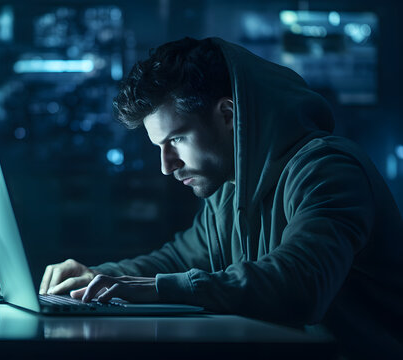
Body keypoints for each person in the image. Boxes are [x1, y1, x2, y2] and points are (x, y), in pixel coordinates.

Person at [39, 37, 403, 357]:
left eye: (176, 139)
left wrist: (154, 288)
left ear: (228, 115)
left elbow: (300, 285)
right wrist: (98, 278)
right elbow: (178, 259)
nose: (167, 166)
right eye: (160, 146)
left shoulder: (328, 169)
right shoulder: (228, 189)